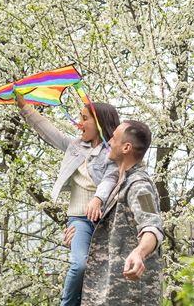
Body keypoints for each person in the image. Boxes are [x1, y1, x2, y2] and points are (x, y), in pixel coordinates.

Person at [15, 93, 120, 306]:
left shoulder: (112, 153)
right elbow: (50, 132)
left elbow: (110, 178)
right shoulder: (75, 147)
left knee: (105, 272)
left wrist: (98, 199)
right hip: (80, 220)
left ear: (99, 123)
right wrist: (25, 108)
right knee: (80, 264)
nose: (78, 123)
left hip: (106, 220)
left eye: (84, 118)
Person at [64, 120, 164, 305]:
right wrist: (79, 241)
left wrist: (139, 253)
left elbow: (152, 227)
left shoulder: (139, 186)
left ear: (126, 147)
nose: (108, 142)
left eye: (114, 138)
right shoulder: (117, 184)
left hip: (128, 296)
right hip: (103, 293)